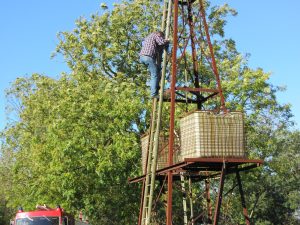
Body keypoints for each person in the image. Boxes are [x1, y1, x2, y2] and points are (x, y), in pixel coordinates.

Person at [140, 31, 169, 98]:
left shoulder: (148, 37)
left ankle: (155, 86)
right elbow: (161, 42)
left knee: (156, 70)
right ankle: (154, 94)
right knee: (154, 75)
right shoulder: (156, 35)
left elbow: (157, 47)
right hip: (148, 57)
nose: (161, 38)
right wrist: (167, 41)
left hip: (142, 57)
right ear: (160, 35)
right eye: (162, 37)